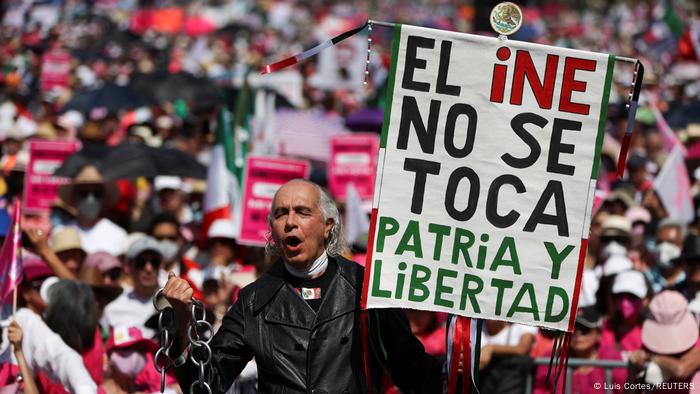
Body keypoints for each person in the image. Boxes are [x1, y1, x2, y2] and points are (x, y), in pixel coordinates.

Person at [162, 179, 444, 393]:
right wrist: (183, 322)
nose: (290, 222)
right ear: (272, 228)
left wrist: (450, 371)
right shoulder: (252, 300)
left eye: (303, 212)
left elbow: (408, 368)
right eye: (281, 214)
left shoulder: (366, 289)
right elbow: (206, 384)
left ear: (328, 226)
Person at [534, 307, 627, 394]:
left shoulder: (611, 358)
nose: (578, 334)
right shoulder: (552, 357)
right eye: (572, 329)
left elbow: (624, 389)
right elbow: (540, 390)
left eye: (585, 329)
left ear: (598, 334)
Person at [628, 291, 700, 393]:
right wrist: (632, 374)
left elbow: (680, 370)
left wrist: (651, 357)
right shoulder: (648, 347)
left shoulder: (697, 347)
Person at [56, 165, 127, 256]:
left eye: (96, 194)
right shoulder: (60, 232)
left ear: (103, 198)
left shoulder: (118, 235)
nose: (90, 199)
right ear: (75, 196)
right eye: (84, 193)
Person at [103, 236, 162, 337]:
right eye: (141, 262)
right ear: (127, 266)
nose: (149, 268)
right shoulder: (113, 309)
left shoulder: (172, 302)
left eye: (154, 262)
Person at [646, 219, 685, 294]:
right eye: (660, 242)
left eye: (671, 242)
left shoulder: (690, 280)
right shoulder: (648, 277)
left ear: (682, 245)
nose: (663, 247)